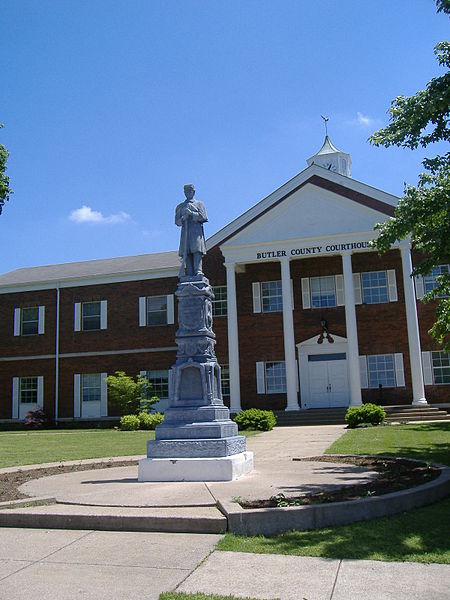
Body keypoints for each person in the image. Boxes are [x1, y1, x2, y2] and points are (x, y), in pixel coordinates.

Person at [175, 184, 208, 277]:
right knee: (187, 252)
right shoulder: (180, 206)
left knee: (197, 251)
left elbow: (204, 217)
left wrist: (192, 213)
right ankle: (189, 272)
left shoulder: (199, 204)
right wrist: (182, 218)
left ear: (194, 192)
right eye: (186, 192)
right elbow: (177, 222)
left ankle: (198, 271)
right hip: (185, 233)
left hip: (196, 231)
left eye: (190, 191)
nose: (188, 193)